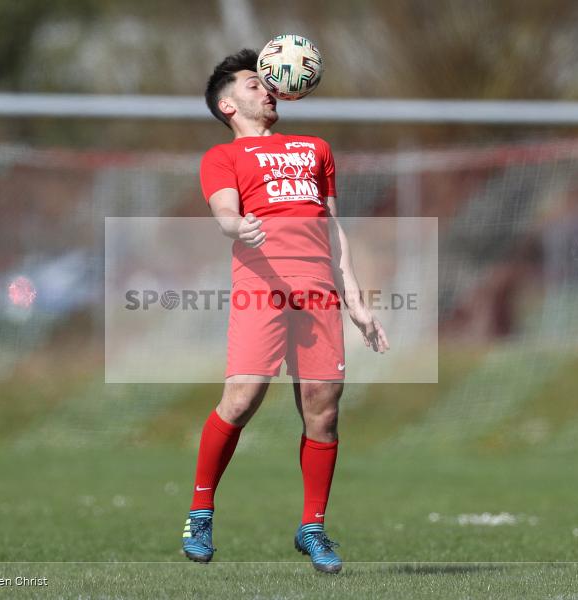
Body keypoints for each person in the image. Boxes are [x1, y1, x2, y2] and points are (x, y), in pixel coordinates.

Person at [181, 49, 388, 574]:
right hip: (262, 287)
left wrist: (356, 298)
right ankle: (200, 513)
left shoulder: (315, 148)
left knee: (323, 409)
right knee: (241, 399)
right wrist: (236, 225)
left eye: (268, 82)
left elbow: (333, 228)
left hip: (318, 290)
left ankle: (312, 527)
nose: (267, 88)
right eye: (254, 83)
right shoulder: (221, 157)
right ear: (228, 105)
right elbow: (225, 211)